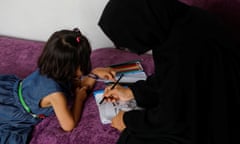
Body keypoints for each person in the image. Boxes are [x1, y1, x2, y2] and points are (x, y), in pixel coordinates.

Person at [98, 0, 240, 143]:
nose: (125, 47)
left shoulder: (183, 49)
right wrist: (133, 92)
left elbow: (174, 118)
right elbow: (169, 80)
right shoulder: (181, 23)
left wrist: (127, 120)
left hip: (218, 118)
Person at [0, 28, 116, 144]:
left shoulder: (51, 68)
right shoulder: (56, 95)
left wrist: (94, 74)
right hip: (11, 114)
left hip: (10, 92)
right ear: (71, 67)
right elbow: (69, 125)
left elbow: (79, 84)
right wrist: (79, 99)